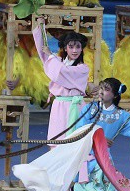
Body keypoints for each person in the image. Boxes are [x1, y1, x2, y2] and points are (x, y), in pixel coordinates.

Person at [72, 78, 130, 191]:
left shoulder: (121, 115)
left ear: (115, 95)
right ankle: (78, 190)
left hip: (104, 153)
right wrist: (99, 138)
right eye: (101, 88)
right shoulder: (90, 109)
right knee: (99, 179)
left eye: (106, 89)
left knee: (109, 173)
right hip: (87, 151)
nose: (101, 92)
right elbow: (80, 129)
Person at [32, 16, 95, 144]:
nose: (74, 50)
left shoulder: (83, 68)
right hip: (59, 105)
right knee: (57, 140)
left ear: (81, 49)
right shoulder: (58, 61)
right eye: (71, 47)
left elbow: (63, 71)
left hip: (75, 106)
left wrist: (51, 55)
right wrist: (41, 27)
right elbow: (43, 52)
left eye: (78, 47)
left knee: (76, 142)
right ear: (65, 48)